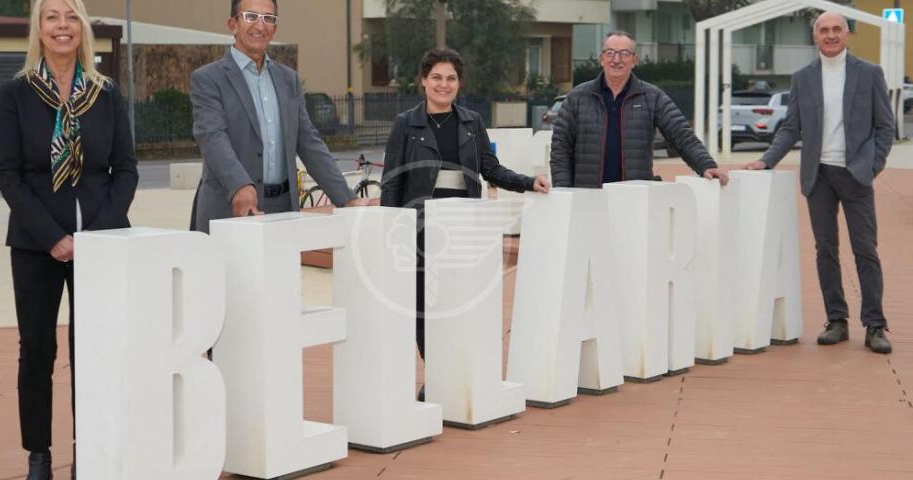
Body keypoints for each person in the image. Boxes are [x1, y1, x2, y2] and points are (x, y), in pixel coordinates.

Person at [0, 0, 139, 478]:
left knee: (93, 349)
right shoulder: (15, 93)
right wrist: (54, 236)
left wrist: (95, 236)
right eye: (52, 17)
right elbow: (7, 174)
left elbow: (127, 171)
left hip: (100, 244)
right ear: (39, 27)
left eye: (71, 16)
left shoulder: (106, 92)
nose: (62, 26)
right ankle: (39, 454)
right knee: (37, 349)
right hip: (36, 244)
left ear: (82, 28)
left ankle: (89, 448)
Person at [380, 48, 550, 398]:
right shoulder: (405, 125)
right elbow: (392, 180)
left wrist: (527, 182)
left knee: (459, 304)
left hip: (464, 228)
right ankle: (437, 372)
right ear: (423, 81)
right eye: (437, 77)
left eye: (451, 78)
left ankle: (455, 375)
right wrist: (391, 228)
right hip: (422, 228)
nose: (444, 85)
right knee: (422, 306)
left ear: (459, 84)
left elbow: (491, 169)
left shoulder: (471, 122)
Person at [744, 12, 894, 354]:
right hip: (818, 176)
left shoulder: (869, 73)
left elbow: (885, 126)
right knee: (825, 250)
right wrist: (766, 160)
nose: (830, 35)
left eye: (836, 29)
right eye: (823, 30)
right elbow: (790, 128)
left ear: (847, 34)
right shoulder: (803, 78)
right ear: (815, 37)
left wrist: (873, 165)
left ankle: (875, 324)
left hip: (857, 174)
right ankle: (836, 320)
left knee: (865, 250)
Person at [190, 0, 366, 232]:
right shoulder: (208, 79)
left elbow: (309, 143)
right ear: (233, 24)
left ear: (274, 27)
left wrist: (346, 198)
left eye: (268, 18)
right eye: (251, 16)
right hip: (229, 209)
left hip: (284, 210)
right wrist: (239, 185)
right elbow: (212, 138)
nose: (260, 26)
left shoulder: (288, 80)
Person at [550, 31, 728, 187]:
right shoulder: (577, 97)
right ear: (601, 58)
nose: (616, 60)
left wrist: (706, 165)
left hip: (635, 199)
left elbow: (681, 134)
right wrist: (564, 191)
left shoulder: (652, 97)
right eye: (610, 53)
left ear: (634, 60)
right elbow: (560, 148)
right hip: (587, 196)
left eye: (624, 53)